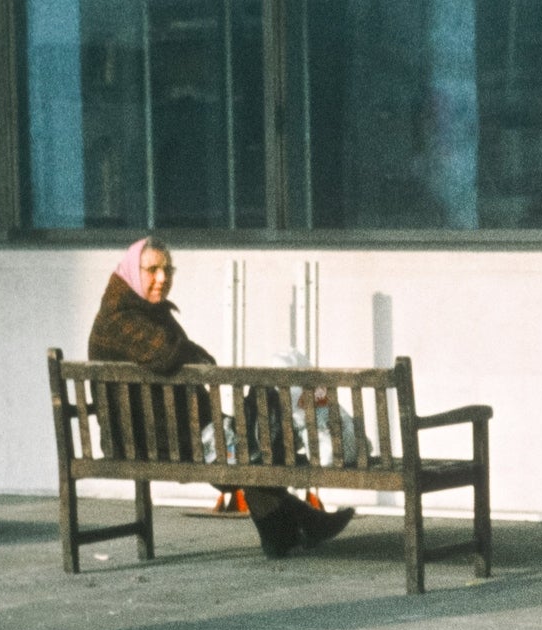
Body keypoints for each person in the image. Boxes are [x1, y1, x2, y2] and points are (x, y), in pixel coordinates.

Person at [88, 237, 354, 560]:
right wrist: (196, 355)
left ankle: (285, 530)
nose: (162, 278)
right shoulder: (119, 320)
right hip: (151, 439)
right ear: (132, 271)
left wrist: (194, 356)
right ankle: (296, 525)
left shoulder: (142, 312)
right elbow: (167, 352)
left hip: (165, 432)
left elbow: (178, 354)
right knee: (249, 445)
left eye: (168, 269)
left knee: (246, 443)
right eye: (152, 269)